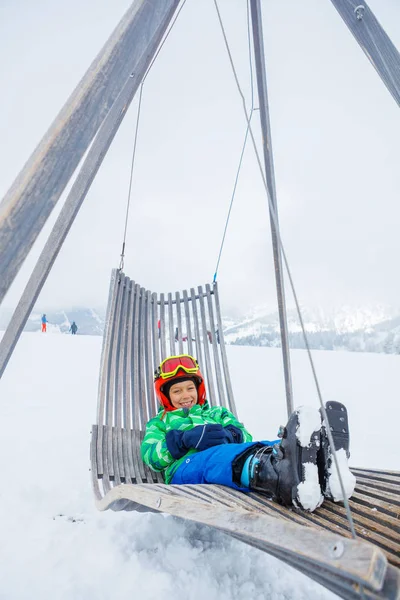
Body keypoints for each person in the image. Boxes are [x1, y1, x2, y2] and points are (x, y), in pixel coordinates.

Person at [141, 354, 356, 513]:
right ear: (166, 396)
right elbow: (151, 457)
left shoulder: (217, 412)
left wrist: (231, 435)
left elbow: (245, 436)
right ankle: (276, 475)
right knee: (216, 457)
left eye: (189, 388)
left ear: (199, 389)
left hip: (226, 456)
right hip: (185, 471)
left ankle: (322, 465)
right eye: (176, 391)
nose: (185, 395)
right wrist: (182, 439)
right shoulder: (160, 422)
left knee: (273, 445)